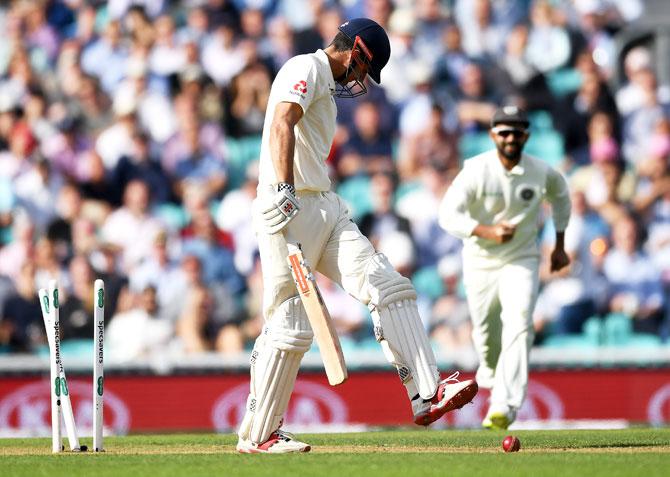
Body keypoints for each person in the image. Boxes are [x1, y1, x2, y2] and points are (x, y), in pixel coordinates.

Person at [236, 18, 478, 454]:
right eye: (366, 69)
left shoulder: (324, 85)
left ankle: (427, 392)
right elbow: (280, 123)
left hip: (324, 205)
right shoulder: (305, 67)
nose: (362, 80)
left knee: (388, 284)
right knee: (290, 325)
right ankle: (259, 435)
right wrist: (284, 188)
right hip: (286, 209)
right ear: (357, 52)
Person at [438, 105, 571, 430]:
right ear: (493, 135)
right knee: (485, 330)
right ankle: (491, 370)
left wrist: (560, 245)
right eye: (504, 132)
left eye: (517, 132)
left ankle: (505, 403)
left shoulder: (541, 171)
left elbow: (562, 197)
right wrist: (487, 231)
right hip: (481, 260)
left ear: (526, 136)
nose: (511, 138)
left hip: (521, 259)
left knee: (520, 323)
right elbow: (447, 215)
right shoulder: (476, 170)